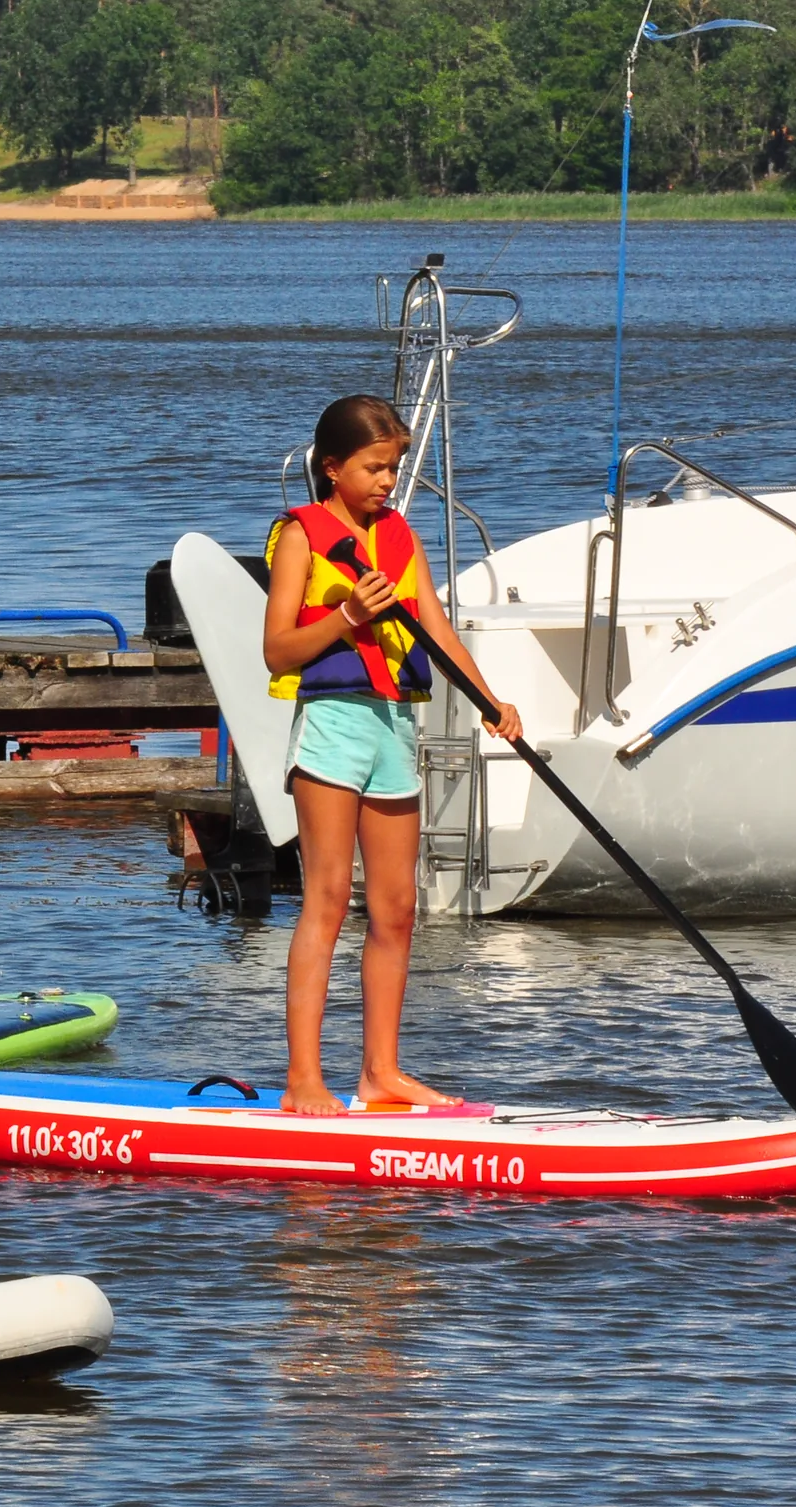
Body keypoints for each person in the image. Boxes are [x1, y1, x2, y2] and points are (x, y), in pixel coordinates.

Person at [262, 395, 521, 1116]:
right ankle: (303, 1080)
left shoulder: (400, 538)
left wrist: (491, 701)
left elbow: (438, 632)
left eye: (395, 467)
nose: (386, 481)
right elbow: (277, 647)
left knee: (398, 908)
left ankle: (381, 1074)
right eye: (374, 468)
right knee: (326, 900)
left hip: (393, 729)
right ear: (332, 468)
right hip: (334, 725)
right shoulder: (302, 538)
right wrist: (347, 618)